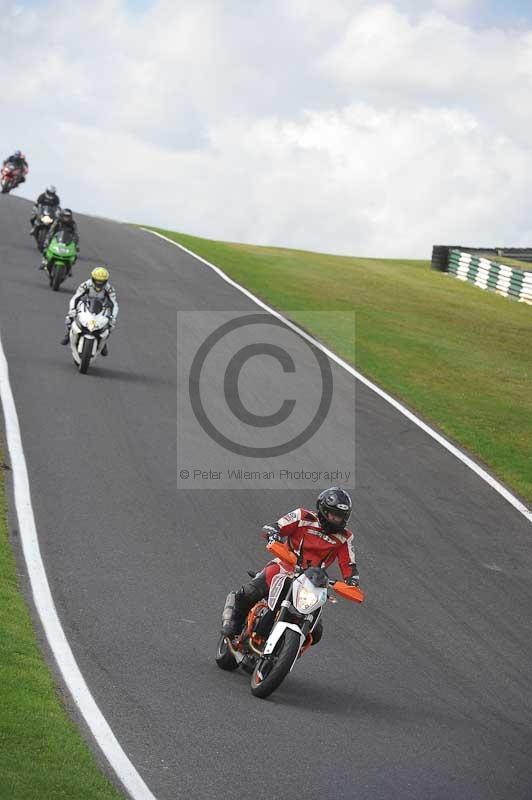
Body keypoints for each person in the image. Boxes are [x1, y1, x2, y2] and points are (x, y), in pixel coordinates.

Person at [222, 487, 360, 643]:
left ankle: (286, 650)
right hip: (285, 566)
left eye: (341, 517)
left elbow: (349, 564)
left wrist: (352, 582)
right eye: (334, 515)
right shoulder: (302, 516)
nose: (337, 520)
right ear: (323, 510)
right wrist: (273, 533)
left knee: (316, 632)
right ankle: (233, 624)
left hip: (313, 581)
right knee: (250, 592)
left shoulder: (344, 538)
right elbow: (276, 526)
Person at [60, 267, 119, 356]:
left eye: (101, 281)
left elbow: (114, 304)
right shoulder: (85, 285)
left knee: (110, 325)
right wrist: (72, 310)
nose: (99, 283)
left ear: (105, 281)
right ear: (93, 278)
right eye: (97, 280)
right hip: (85, 304)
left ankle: (104, 342)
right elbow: (75, 297)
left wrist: (113, 317)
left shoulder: (109, 289)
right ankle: (68, 335)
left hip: (102, 307)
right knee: (69, 318)